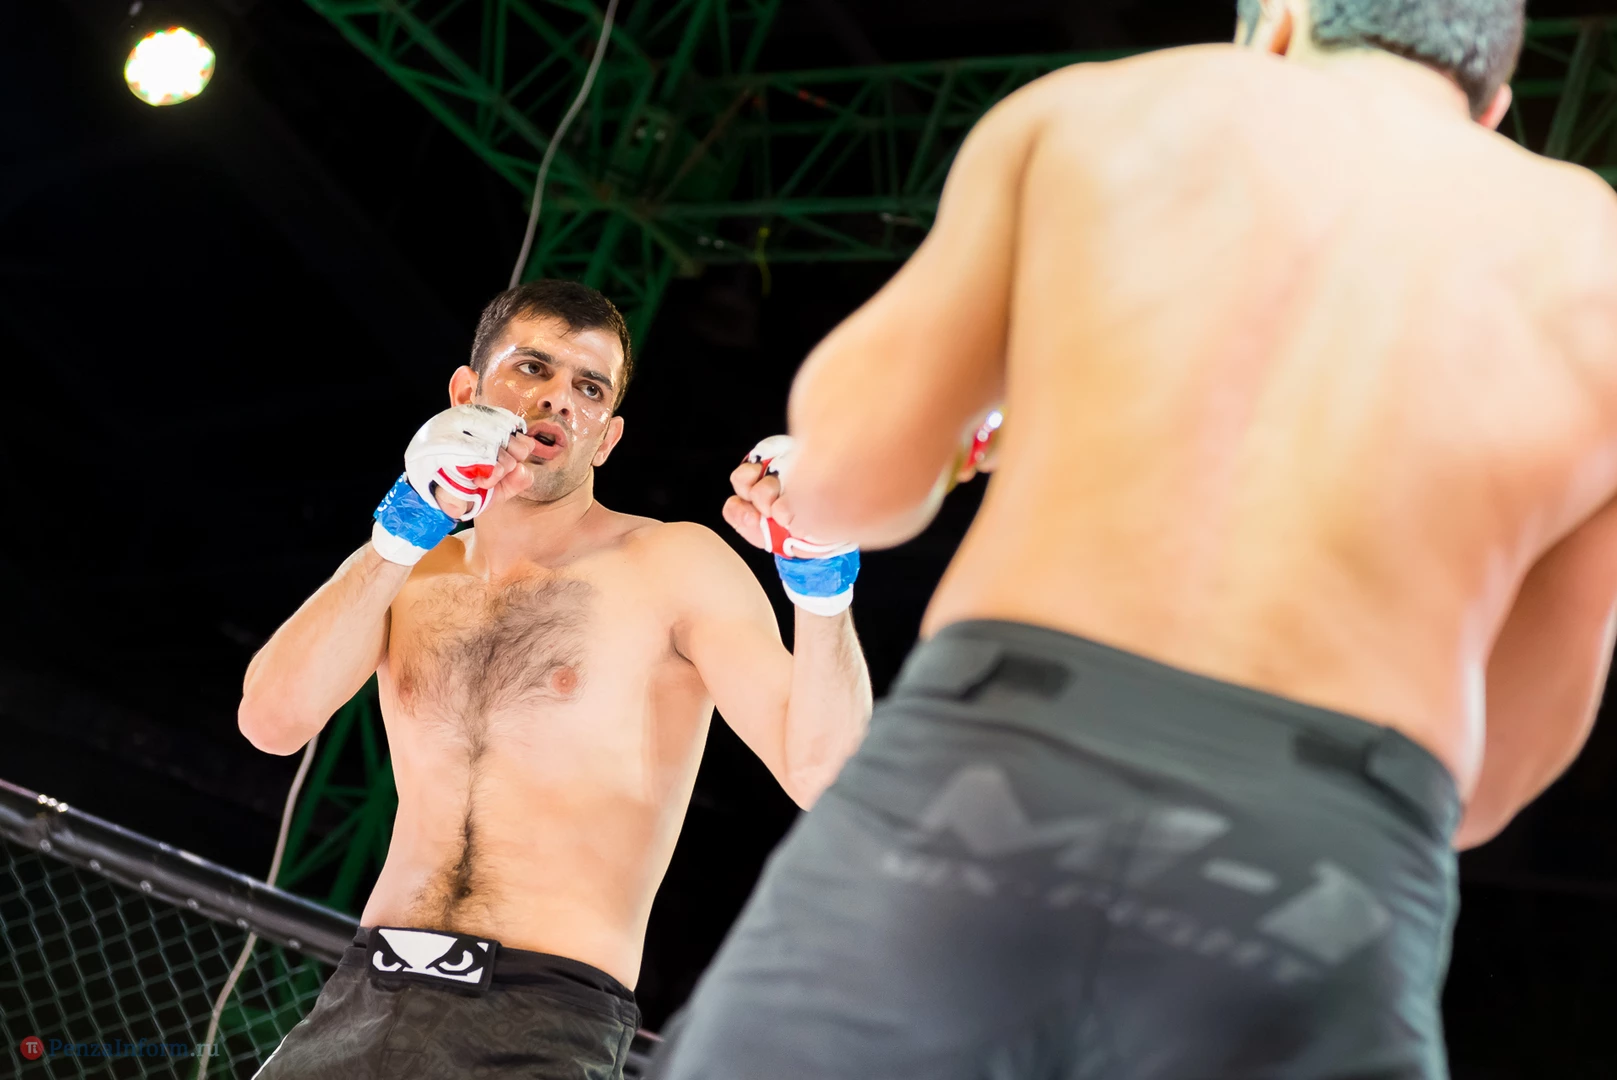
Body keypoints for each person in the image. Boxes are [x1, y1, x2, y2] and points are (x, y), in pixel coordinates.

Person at [648, 0, 1617, 1077]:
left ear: (1277, 26)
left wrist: (942, 429)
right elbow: (1488, 789)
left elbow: (852, 487)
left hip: (995, 770)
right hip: (1331, 847)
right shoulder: (1596, 256)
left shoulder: (1102, 114)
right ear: (1492, 109)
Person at [238, 279, 873, 1079]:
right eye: (532, 368)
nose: (558, 400)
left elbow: (827, 776)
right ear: (466, 392)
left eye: (589, 389)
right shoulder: (409, 567)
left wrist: (820, 587)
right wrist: (400, 532)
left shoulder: (671, 564)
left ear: (606, 439)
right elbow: (271, 722)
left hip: (541, 1018)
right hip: (365, 995)